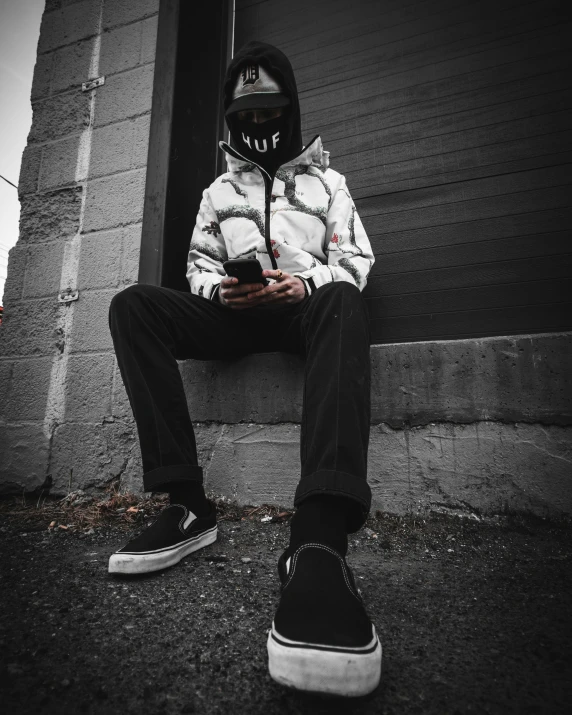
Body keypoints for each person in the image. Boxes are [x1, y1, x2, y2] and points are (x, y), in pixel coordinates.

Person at [108, 41, 381, 697]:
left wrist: (303, 283)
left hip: (301, 311)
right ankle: (187, 506)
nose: (257, 121)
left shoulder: (330, 183)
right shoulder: (216, 190)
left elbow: (357, 263)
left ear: (288, 107)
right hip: (234, 315)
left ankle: (318, 539)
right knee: (132, 306)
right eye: (245, 111)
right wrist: (217, 292)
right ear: (231, 117)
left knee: (342, 298)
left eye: (269, 108)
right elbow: (198, 267)